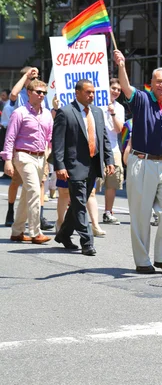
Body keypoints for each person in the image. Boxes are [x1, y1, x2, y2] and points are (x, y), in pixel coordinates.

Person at [114, 49, 162, 274]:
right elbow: (126, 87)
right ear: (151, 82)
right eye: (158, 81)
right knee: (141, 214)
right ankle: (143, 261)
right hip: (142, 162)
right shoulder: (142, 99)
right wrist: (122, 65)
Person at [52, 79, 114, 256]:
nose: (91, 95)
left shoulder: (97, 112)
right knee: (80, 204)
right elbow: (58, 142)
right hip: (73, 166)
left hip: (93, 165)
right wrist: (60, 166)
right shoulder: (65, 112)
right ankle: (87, 241)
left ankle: (63, 235)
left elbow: (104, 139)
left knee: (78, 203)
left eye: (93, 92)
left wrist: (109, 160)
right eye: (88, 92)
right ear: (77, 93)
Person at [1, 79, 53, 244]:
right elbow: (9, 139)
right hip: (23, 156)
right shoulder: (20, 112)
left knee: (26, 195)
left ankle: (17, 231)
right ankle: (35, 232)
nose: (41, 95)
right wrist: (8, 161)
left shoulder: (47, 114)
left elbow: (49, 137)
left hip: (40, 157)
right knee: (34, 192)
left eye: (44, 92)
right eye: (38, 92)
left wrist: (48, 153)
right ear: (29, 93)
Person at [100, 78, 125, 225]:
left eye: (118, 90)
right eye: (113, 88)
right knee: (94, 182)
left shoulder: (119, 107)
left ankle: (108, 212)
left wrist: (113, 113)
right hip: (96, 148)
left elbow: (119, 129)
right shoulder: (95, 103)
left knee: (112, 182)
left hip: (113, 148)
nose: (116, 91)